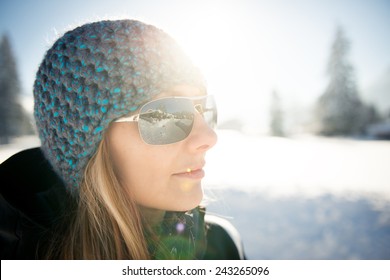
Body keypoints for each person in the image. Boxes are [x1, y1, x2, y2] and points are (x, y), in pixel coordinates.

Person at [0, 19, 245, 260]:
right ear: (92, 145)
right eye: (166, 114)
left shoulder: (221, 248)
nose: (208, 137)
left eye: (202, 109)